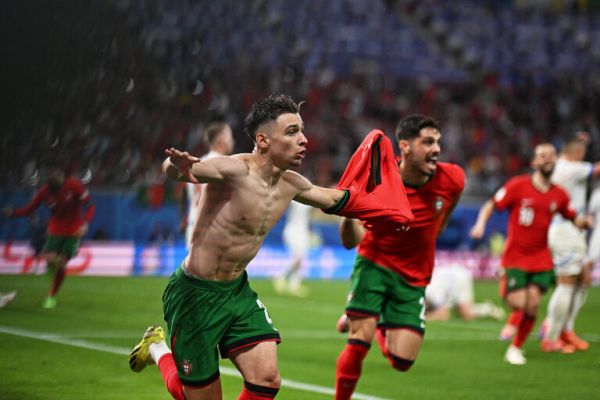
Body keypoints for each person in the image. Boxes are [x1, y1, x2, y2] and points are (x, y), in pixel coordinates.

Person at [128, 95, 412, 400]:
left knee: (267, 379)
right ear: (263, 140)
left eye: (302, 130)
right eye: (292, 132)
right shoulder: (233, 170)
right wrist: (175, 165)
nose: (304, 140)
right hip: (195, 295)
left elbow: (337, 200)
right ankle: (157, 348)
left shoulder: (292, 183)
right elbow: (180, 170)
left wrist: (387, 207)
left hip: (237, 292)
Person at [334, 114, 464, 400]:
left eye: (438, 142)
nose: (436, 149)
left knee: (402, 361)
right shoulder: (379, 180)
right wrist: (347, 217)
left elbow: (443, 217)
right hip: (375, 264)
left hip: (414, 276)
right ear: (404, 146)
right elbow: (349, 242)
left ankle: (373, 319)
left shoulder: (453, 178)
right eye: (427, 142)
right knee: (359, 343)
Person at [469, 143, 592, 365]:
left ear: (556, 161)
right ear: (534, 162)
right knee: (518, 302)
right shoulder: (518, 186)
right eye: (542, 156)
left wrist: (584, 222)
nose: (547, 159)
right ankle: (512, 309)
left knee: (532, 304)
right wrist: (479, 225)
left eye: (551, 156)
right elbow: (491, 204)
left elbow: (572, 216)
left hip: (540, 259)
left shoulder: (559, 194)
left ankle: (515, 347)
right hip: (515, 258)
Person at [3, 164, 95, 308]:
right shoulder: (44, 192)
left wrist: (85, 224)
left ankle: (51, 296)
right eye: (52, 175)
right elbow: (29, 209)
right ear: (48, 178)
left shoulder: (74, 186)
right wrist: (13, 212)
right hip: (55, 230)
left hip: (73, 230)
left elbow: (90, 205)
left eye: (58, 174)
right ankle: (54, 266)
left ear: (62, 176)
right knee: (50, 259)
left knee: (62, 263)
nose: (56, 177)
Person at [541, 133, 600, 352]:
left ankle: (566, 329)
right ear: (576, 153)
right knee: (567, 283)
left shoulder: (563, 167)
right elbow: (595, 170)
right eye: (582, 155)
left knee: (583, 279)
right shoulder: (567, 167)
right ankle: (552, 336)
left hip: (573, 229)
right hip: (565, 229)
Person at [179, 122, 235, 248]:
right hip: (212, 229)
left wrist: (184, 219)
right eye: (230, 137)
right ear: (222, 139)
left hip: (193, 226)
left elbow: (184, 196)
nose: (233, 141)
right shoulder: (224, 163)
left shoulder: (196, 163)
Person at [425, 263, 505, 322]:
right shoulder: (427, 291)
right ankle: (487, 309)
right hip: (453, 275)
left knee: (466, 315)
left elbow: (444, 315)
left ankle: (488, 309)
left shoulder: (432, 293)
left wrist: (425, 317)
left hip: (458, 278)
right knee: (465, 313)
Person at [273, 200, 312, 297]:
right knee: (297, 259)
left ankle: (294, 285)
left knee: (301, 259)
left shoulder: (310, 199)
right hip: (293, 231)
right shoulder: (296, 198)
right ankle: (280, 276)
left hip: (303, 232)